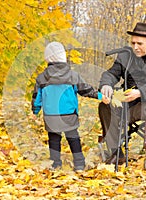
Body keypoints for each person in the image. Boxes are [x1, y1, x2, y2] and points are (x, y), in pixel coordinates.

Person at [98, 22, 146, 164]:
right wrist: (106, 84)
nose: (135, 47)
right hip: (127, 97)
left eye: (139, 43)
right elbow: (111, 73)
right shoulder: (126, 54)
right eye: (133, 43)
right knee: (104, 106)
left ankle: (118, 133)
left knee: (125, 113)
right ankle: (116, 152)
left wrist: (140, 92)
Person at [32, 41, 109, 172]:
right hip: (69, 114)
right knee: (73, 138)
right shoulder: (73, 76)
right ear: (63, 57)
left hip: (50, 115)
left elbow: (36, 97)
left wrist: (35, 110)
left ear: (47, 58)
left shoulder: (41, 78)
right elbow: (86, 90)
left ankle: (55, 164)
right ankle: (79, 164)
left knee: (54, 140)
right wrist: (101, 96)